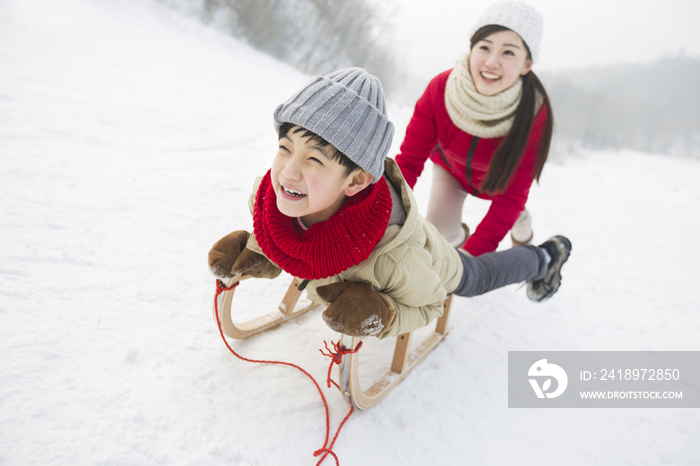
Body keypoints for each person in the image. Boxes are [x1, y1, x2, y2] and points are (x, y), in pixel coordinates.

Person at [208, 67, 571, 340]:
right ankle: (458, 233)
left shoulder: (392, 260)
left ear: (356, 180)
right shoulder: (270, 196)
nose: (288, 172)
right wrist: (260, 250)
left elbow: (431, 303)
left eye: (314, 160)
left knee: (476, 276)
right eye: (285, 148)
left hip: (429, 258)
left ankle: (544, 258)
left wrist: (385, 313)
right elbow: (283, 229)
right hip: (397, 241)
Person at [395, 1, 553, 257]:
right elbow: (408, 164)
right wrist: (378, 218)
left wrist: (470, 260)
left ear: (527, 64)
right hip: (451, 172)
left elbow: (511, 198)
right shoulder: (442, 89)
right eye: (485, 47)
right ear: (471, 49)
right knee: (439, 239)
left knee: (516, 215)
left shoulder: (534, 115)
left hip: (500, 186)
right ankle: (456, 240)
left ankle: (523, 233)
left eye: (509, 52)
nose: (492, 62)